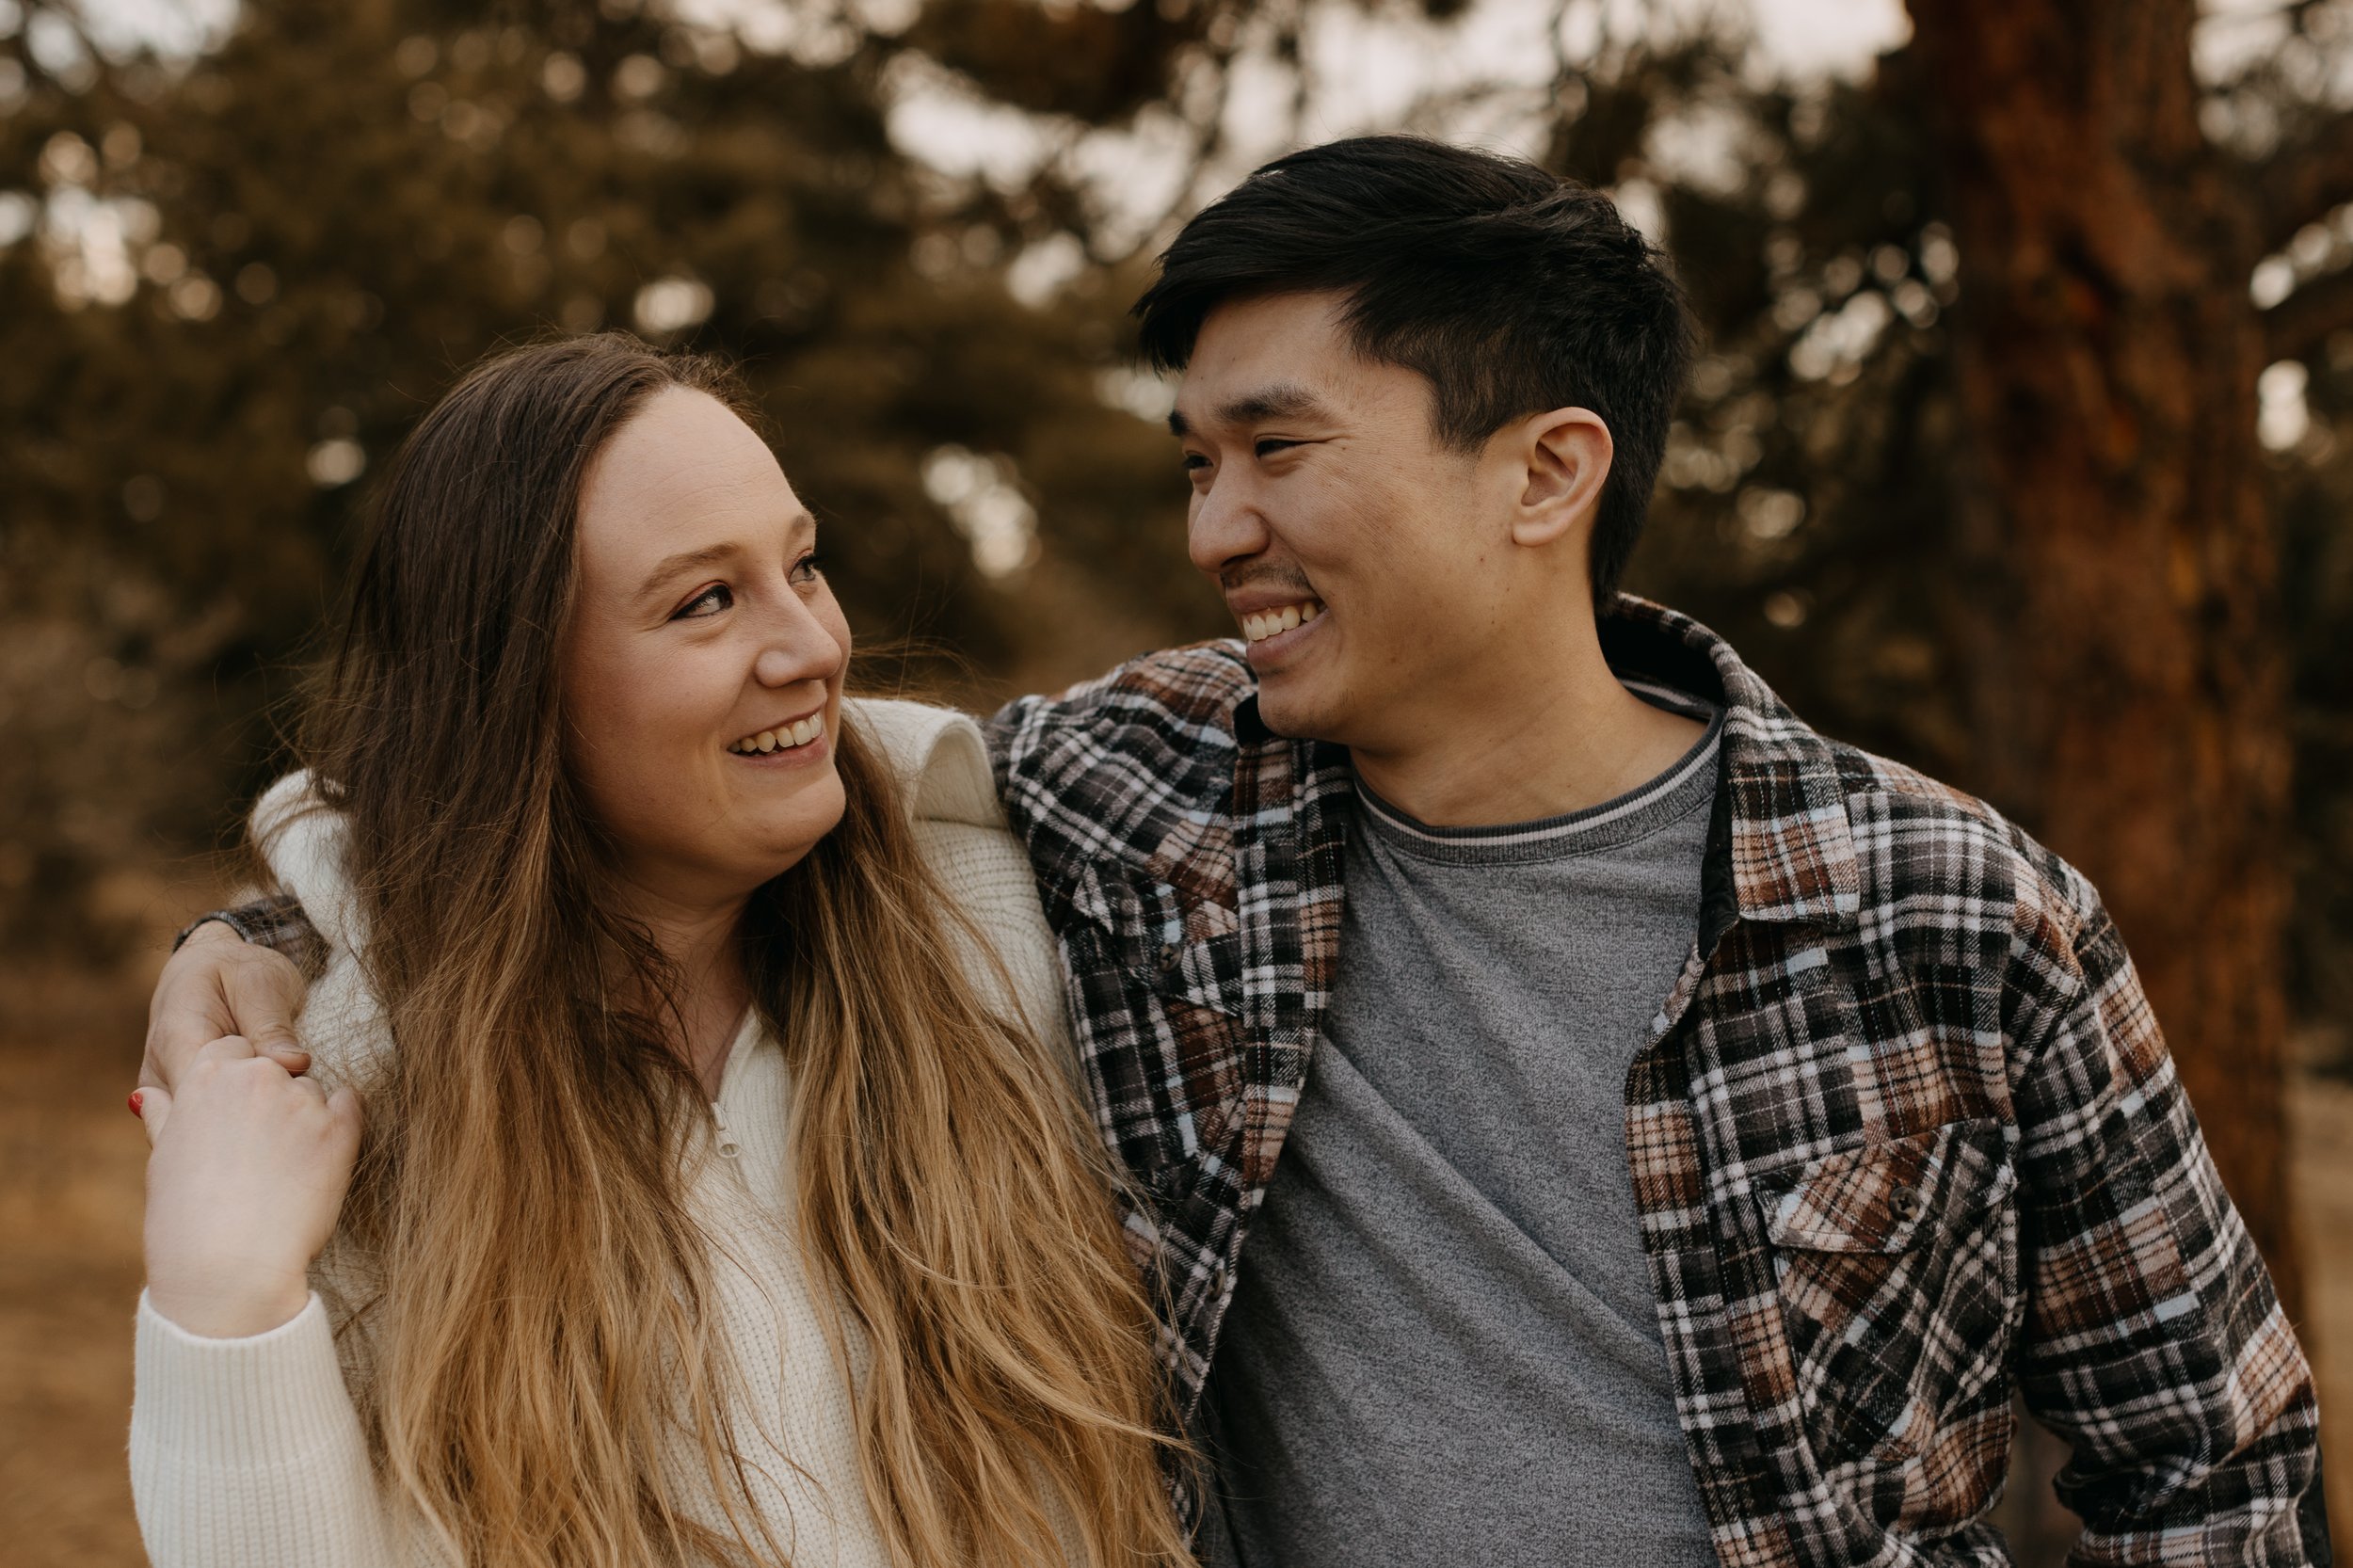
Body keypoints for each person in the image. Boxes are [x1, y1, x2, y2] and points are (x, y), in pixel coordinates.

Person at [146, 137, 2329, 1565]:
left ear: (1544, 470)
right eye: (1193, 459)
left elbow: (2206, 1462)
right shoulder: (1148, 801)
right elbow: (607, 776)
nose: (1212, 534)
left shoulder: (1949, 908)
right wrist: (259, 936)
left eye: (1276, 450)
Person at [126, 336, 1193, 1568]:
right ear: (515, 687)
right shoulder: (347, 1093)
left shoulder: (1002, 922)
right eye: (705, 600)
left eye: (803, 565)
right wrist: (224, 1308)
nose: (810, 648)